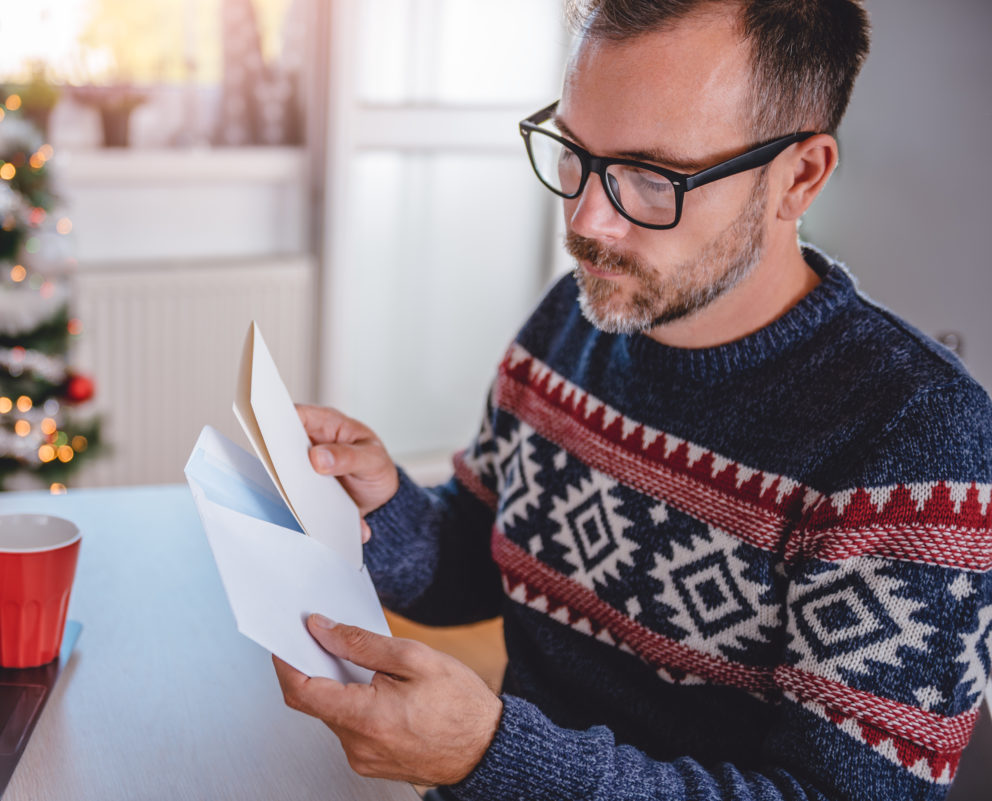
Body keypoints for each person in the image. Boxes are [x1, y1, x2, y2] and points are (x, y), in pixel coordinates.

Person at [272, 1, 992, 799]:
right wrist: (380, 511)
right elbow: (478, 562)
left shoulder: (917, 442)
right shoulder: (570, 321)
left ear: (800, 176)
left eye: (653, 178)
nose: (587, 220)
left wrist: (491, 757)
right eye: (575, 153)